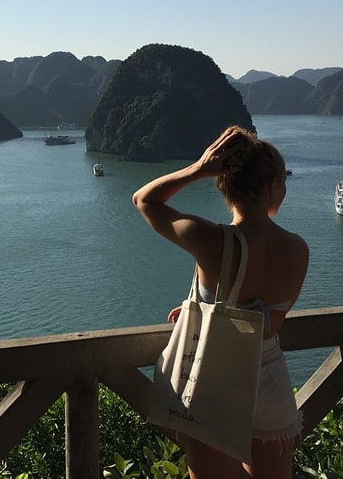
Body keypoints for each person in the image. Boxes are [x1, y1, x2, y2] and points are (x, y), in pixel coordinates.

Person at [132, 126, 309, 479]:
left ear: (223, 184)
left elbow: (144, 200)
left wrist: (197, 169)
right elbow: (268, 322)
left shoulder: (210, 241)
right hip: (271, 382)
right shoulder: (297, 249)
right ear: (272, 183)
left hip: (213, 384)